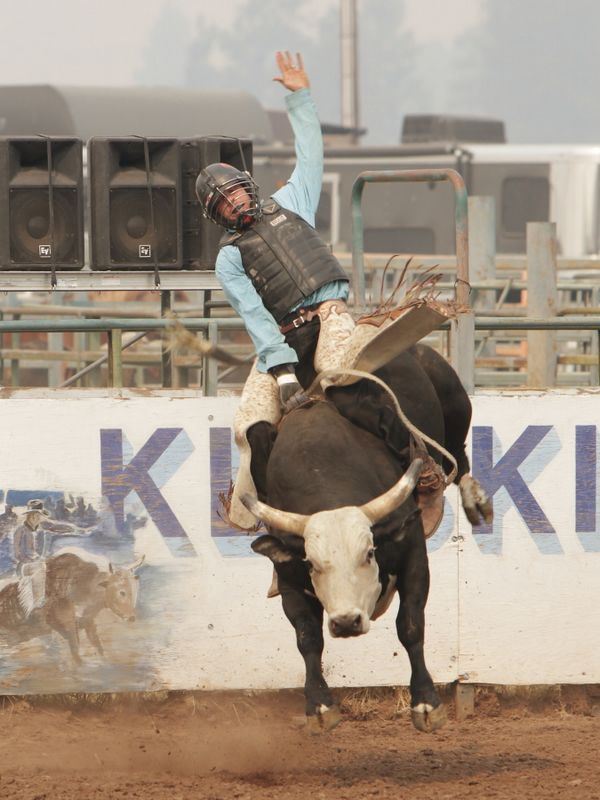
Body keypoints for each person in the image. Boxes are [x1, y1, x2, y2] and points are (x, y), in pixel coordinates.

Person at [196, 51, 451, 529]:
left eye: (235, 191)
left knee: (347, 383)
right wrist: (284, 374)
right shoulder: (228, 259)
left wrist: (300, 98)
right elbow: (256, 318)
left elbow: (311, 150)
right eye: (223, 202)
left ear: (248, 186)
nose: (234, 202)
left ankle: (422, 470)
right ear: (219, 216)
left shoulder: (292, 201)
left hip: (329, 317)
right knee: (249, 427)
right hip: (284, 341)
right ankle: (279, 526)